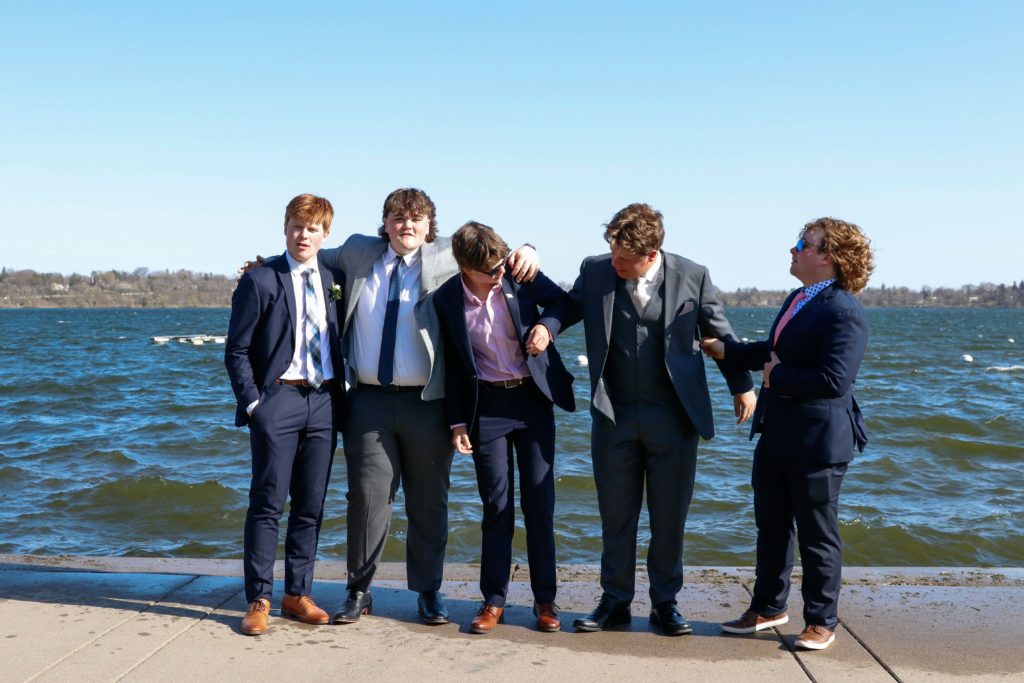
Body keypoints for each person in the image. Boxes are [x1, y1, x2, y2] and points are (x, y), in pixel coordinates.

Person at [319, 188, 539, 625]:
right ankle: (359, 590)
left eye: (416, 218)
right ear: (385, 223)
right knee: (367, 500)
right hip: (368, 401)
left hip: (428, 403)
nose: (407, 225)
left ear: (428, 225)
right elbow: (308, 256)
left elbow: (491, 251)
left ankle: (428, 592)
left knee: (428, 502)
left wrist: (528, 248)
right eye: (398, 218)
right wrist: (262, 264)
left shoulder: (447, 255)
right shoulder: (358, 251)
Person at [543, 203, 756, 635]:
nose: (614, 262)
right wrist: (547, 326)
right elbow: (567, 307)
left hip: (674, 417)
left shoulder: (692, 275)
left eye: (624, 258)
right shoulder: (596, 270)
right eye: (612, 252)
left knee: (669, 518)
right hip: (614, 415)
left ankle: (665, 603)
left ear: (651, 254)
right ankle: (615, 601)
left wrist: (741, 385)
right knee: (616, 516)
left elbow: (719, 331)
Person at [702, 217, 873, 651]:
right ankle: (768, 607)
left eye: (802, 243)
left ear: (827, 256)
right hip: (777, 433)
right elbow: (773, 351)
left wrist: (776, 377)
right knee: (772, 528)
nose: (793, 250)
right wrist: (726, 351)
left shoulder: (844, 309)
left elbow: (835, 379)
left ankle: (821, 621)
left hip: (818, 442)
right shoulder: (798, 298)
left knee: (817, 536)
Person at [432, 221, 575, 634]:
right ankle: (493, 601)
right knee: (496, 507)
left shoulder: (517, 274)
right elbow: (454, 364)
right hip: (487, 409)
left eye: (500, 266)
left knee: (539, 504)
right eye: (489, 271)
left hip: (533, 402)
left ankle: (545, 601)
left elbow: (565, 304)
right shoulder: (446, 299)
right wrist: (457, 421)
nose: (499, 274)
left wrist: (547, 327)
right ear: (465, 268)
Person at [225, 194, 345, 636]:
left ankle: (298, 594)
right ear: (285, 228)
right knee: (267, 504)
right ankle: (259, 598)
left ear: (325, 234)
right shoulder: (261, 280)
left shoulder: (335, 279)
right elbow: (236, 350)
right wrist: (255, 404)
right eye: (296, 226)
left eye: (312, 229)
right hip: (277, 400)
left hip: (325, 402)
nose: (303, 235)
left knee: (310, 505)